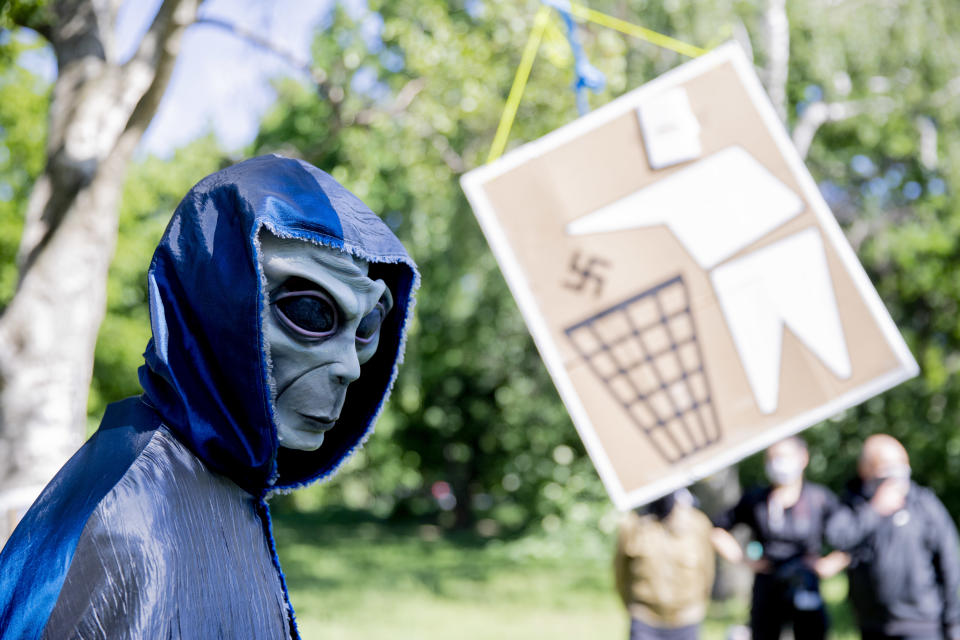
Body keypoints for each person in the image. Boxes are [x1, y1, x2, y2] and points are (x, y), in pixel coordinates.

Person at [0, 155, 419, 639]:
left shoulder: (212, 481)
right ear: (220, 307)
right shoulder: (135, 518)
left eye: (367, 327)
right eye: (311, 311)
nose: (348, 367)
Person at [710, 436, 848, 640]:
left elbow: (854, 536)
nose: (777, 464)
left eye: (783, 456)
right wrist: (743, 560)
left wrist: (830, 564)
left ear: (803, 458)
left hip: (805, 584)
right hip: (768, 583)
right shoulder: (756, 499)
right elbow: (716, 529)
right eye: (772, 458)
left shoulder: (819, 498)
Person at [826, 434, 960, 640]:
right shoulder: (853, 504)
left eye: (901, 465)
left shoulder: (923, 503)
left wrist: (953, 622)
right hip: (872, 625)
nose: (897, 473)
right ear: (865, 469)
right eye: (887, 466)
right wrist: (874, 510)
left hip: (921, 623)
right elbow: (838, 538)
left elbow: (950, 562)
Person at [614, 489, 715, 640]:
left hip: (686, 618)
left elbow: (707, 570)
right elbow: (620, 571)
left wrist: (698, 607)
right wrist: (633, 607)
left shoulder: (698, 524)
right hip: (645, 618)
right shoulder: (635, 524)